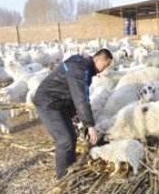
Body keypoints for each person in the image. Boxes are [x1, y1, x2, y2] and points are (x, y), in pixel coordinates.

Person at [33, 49, 113, 179]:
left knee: (71, 136)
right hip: (49, 102)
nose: (105, 69)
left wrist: (75, 115)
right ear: (99, 59)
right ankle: (63, 180)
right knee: (65, 140)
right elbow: (80, 97)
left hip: (59, 103)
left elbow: (71, 93)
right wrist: (89, 124)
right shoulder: (80, 69)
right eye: (106, 64)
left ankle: (70, 170)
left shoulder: (83, 67)